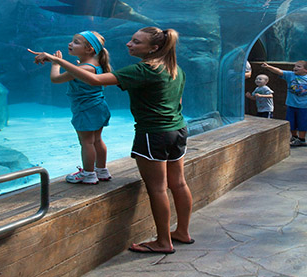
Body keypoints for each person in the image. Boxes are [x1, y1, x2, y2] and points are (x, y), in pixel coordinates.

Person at [31, 27, 191, 254]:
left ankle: (163, 241)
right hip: (178, 130)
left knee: (157, 189)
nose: (129, 44)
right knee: (179, 183)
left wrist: (54, 60)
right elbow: (179, 100)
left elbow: (95, 80)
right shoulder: (174, 68)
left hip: (153, 134)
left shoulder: (143, 69)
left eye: (136, 42)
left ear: (153, 48)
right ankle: (182, 231)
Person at [43, 31, 113, 185]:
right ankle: (101, 170)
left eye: (76, 42)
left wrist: (55, 64)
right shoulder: (96, 65)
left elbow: (55, 79)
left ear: (89, 49)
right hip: (99, 107)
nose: (70, 44)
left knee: (86, 142)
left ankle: (88, 174)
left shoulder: (84, 69)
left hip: (85, 110)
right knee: (97, 140)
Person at [258, 60, 307, 147]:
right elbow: (279, 71)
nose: (295, 68)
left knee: (303, 123)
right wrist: (268, 67)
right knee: (291, 122)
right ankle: (294, 137)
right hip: (291, 104)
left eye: (299, 66)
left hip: (305, 106)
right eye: (295, 66)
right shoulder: (290, 75)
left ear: (306, 69)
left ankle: (302, 139)